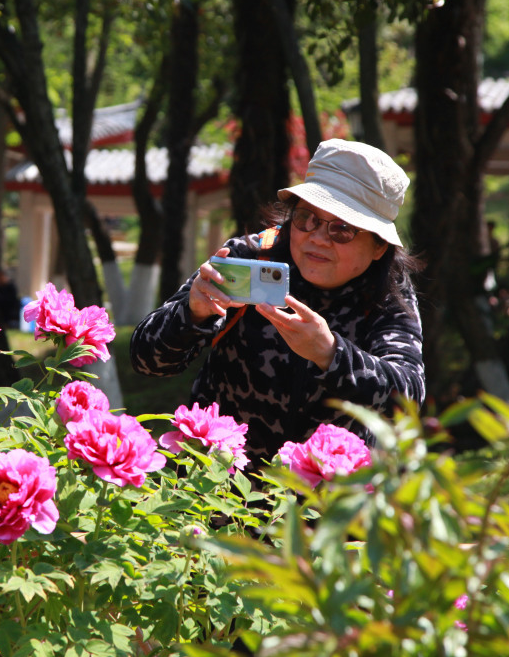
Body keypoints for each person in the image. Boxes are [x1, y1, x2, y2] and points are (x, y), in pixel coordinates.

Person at [130, 139, 426, 463]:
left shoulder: (388, 290)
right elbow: (146, 360)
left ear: (379, 247)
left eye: (342, 229)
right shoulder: (251, 257)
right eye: (306, 218)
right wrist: (192, 313)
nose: (317, 237)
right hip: (218, 492)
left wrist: (330, 353)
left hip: (324, 502)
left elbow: (407, 397)